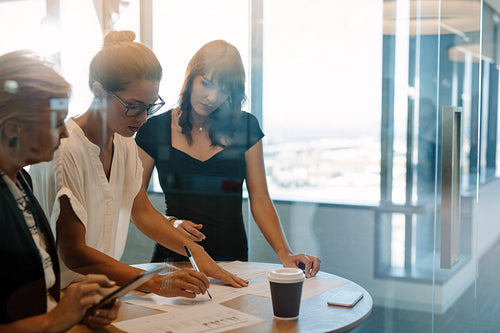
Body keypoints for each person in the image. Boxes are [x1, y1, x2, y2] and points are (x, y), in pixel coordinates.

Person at [30, 31, 247, 299]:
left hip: (99, 293)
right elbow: (72, 252)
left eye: (150, 106)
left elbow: (142, 211)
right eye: (133, 107)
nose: (143, 118)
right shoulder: (66, 148)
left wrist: (198, 254)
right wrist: (153, 282)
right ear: (99, 92)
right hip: (55, 298)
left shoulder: (122, 143)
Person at [135, 40, 321, 277]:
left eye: (223, 89)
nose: (212, 97)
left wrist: (285, 253)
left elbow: (260, 199)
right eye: (207, 83)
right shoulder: (155, 129)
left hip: (232, 260)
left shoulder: (246, 127)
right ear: (191, 77)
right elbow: (133, 201)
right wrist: (171, 222)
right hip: (175, 260)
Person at [0, 50, 119, 332]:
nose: (65, 133)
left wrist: (75, 312)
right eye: (55, 123)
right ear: (13, 128)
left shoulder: (19, 181)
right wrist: (54, 320)